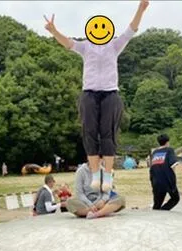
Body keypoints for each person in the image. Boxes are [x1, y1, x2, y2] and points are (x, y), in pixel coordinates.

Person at [44, 1, 148, 194]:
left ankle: (107, 175)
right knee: (89, 132)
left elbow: (131, 29)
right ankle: (94, 174)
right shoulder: (85, 47)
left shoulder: (115, 45)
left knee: (108, 133)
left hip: (110, 93)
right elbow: (67, 43)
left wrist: (140, 9)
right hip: (89, 94)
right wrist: (53, 30)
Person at [149, 134, 180, 211]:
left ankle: (156, 214)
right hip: (167, 179)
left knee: (157, 204)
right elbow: (173, 165)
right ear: (167, 142)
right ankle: (163, 211)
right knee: (175, 198)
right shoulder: (169, 150)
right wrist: (173, 179)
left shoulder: (154, 152)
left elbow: (152, 166)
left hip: (155, 180)